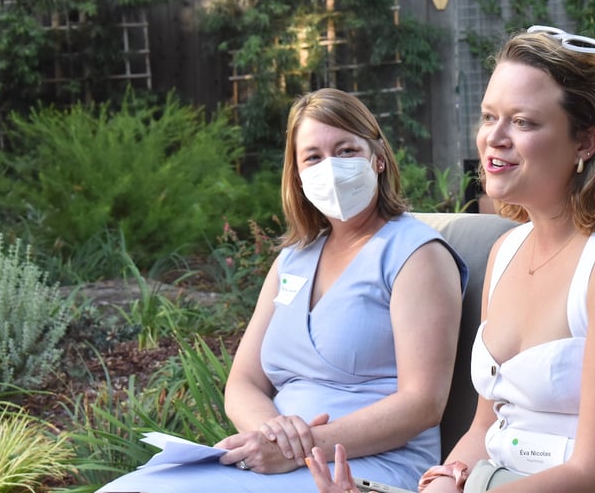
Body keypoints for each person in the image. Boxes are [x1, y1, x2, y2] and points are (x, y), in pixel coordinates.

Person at [308, 27, 595, 493]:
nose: (493, 138)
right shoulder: (506, 251)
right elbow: (484, 430)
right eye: (488, 117)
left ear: (586, 142)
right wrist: (443, 481)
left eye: (523, 122)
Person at [99, 88, 468, 493]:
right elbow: (242, 382)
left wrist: (300, 448)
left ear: (378, 158)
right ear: (298, 173)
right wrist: (271, 439)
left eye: (346, 150)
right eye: (313, 157)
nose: (331, 167)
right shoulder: (294, 258)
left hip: (366, 466)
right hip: (273, 464)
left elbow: (423, 404)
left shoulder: (416, 255)